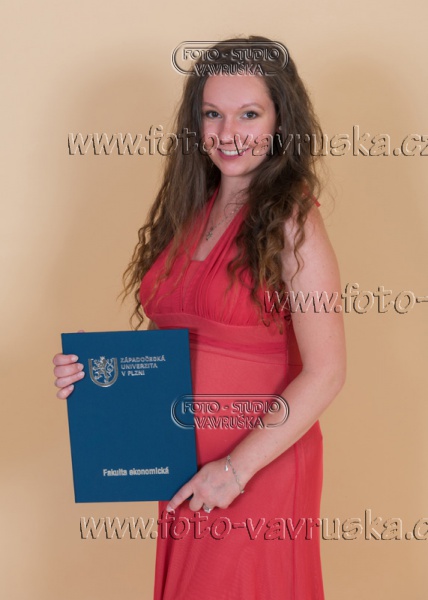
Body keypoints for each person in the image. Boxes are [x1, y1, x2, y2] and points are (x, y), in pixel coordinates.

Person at [53, 36, 346, 600]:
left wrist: (235, 470)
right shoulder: (189, 210)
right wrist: (97, 375)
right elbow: (171, 348)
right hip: (186, 469)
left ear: (281, 119)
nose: (227, 132)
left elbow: (327, 372)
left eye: (249, 114)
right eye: (212, 114)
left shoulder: (292, 219)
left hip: (256, 468)